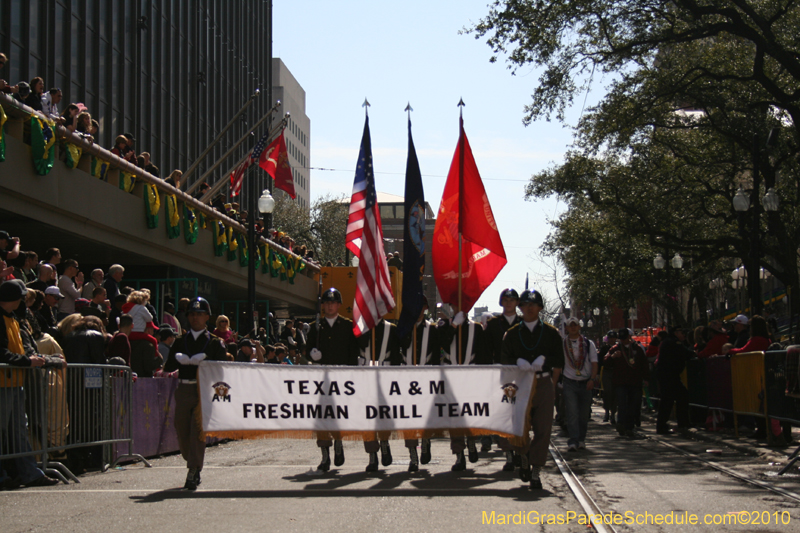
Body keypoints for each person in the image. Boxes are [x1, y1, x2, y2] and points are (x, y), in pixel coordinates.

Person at [0, 280, 63, 489]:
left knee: (19, 430)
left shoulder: (14, 319)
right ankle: (11, 474)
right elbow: (3, 353)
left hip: (14, 381)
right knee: (7, 430)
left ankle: (29, 473)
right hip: (4, 382)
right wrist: (27, 361)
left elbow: (17, 351)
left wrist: (30, 359)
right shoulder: (6, 319)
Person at [501, 289, 564, 490]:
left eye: (533, 304)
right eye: (525, 304)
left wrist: (545, 360)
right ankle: (524, 454)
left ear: (539, 308)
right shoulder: (511, 334)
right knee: (519, 426)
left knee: (543, 428)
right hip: (519, 383)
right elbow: (504, 358)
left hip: (542, 381)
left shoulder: (551, 333)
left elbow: (559, 359)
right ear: (520, 307)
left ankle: (536, 468)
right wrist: (516, 361)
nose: (529, 308)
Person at [163, 297, 228, 490]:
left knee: (197, 431)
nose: (195, 318)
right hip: (184, 388)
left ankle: (193, 470)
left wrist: (205, 362)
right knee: (182, 429)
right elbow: (168, 367)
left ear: (207, 317)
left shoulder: (215, 342)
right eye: (192, 314)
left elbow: (221, 370)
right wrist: (178, 358)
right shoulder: (181, 341)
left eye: (199, 314)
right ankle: (190, 458)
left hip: (204, 390)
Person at [305, 288, 359, 472]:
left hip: (342, 380)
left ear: (338, 305)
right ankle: (325, 455)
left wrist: (351, 375)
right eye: (326, 303)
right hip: (321, 380)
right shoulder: (315, 327)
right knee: (321, 418)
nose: (329, 305)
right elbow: (307, 351)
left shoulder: (347, 325)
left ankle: (338, 442)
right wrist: (312, 355)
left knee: (338, 415)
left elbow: (353, 353)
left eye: (333, 302)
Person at [398, 296, 439, 472]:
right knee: (409, 419)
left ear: (426, 308)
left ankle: (426, 440)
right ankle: (413, 455)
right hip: (407, 379)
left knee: (426, 417)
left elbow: (437, 355)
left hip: (427, 379)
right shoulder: (403, 327)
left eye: (421, 306)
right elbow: (397, 350)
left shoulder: (432, 329)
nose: (418, 309)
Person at [485, 288, 523, 466]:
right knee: (503, 415)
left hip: (521, 375)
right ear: (501, 302)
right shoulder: (493, 324)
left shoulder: (524, 323)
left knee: (519, 415)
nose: (509, 303)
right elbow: (485, 350)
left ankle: (520, 450)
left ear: (517, 303)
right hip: (499, 374)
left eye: (512, 300)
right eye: (505, 300)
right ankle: (508, 452)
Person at [357, 318, 400, 472]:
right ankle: (372, 455)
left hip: (384, 378)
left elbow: (395, 356)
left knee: (382, 416)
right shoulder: (360, 327)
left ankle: (384, 442)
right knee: (367, 419)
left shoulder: (391, 329)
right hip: (363, 377)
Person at [561, 317, 598, 451]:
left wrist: (592, 379)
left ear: (579, 327)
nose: (572, 328)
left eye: (575, 325)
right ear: (567, 328)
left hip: (585, 382)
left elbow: (594, 362)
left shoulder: (588, 344)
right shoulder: (563, 344)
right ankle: (573, 440)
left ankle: (581, 439)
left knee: (583, 414)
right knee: (572, 412)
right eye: (570, 325)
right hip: (569, 381)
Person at [605, 328, 649, 438]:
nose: (623, 341)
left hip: (635, 382)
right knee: (622, 404)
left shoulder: (637, 349)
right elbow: (605, 362)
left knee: (633, 405)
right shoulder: (615, 349)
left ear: (629, 337)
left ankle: (629, 427)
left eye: (625, 339)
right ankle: (621, 423)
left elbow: (644, 364)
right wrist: (612, 357)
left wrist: (646, 378)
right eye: (621, 339)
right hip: (620, 382)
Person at [655, 327, 692, 434]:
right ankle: (675, 424)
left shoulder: (669, 341)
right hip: (668, 375)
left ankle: (679, 423)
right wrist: (695, 354)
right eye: (682, 332)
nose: (684, 335)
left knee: (676, 397)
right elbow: (684, 353)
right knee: (671, 399)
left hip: (669, 375)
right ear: (676, 333)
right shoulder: (674, 342)